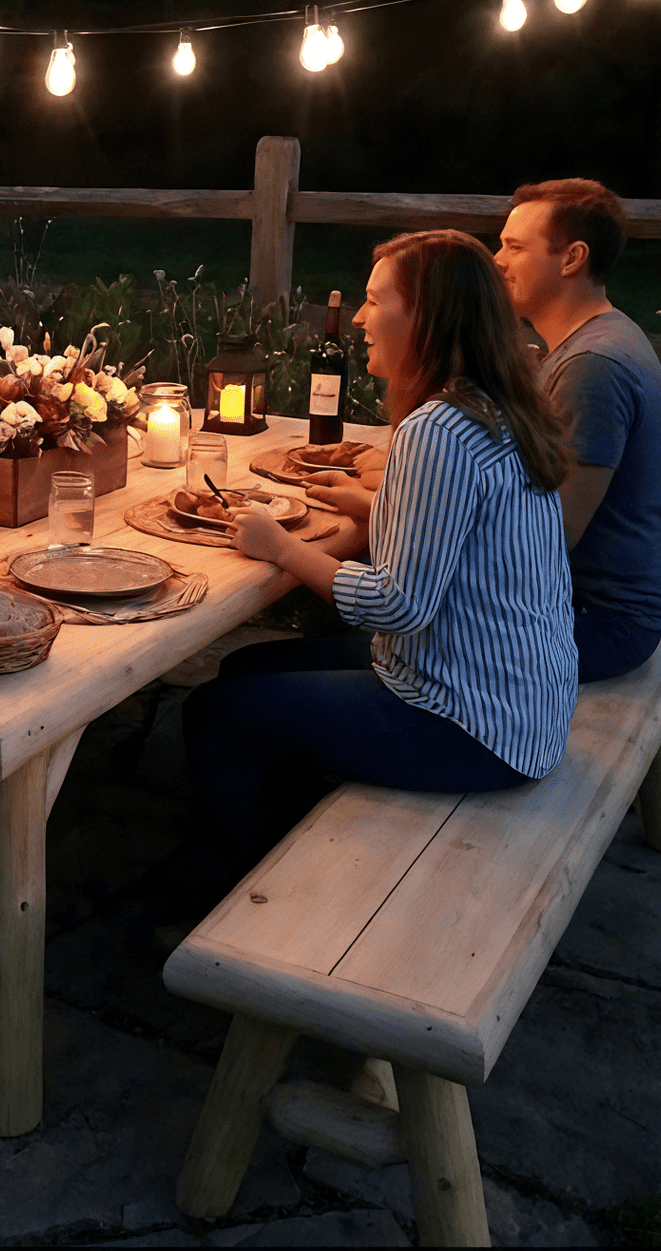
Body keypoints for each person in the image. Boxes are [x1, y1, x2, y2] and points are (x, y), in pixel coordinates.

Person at [184, 230, 577, 881]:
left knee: (214, 712)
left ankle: (222, 890)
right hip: (520, 698)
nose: (360, 319)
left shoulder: (436, 430)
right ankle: (279, 831)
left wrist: (277, 544)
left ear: (424, 316)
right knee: (246, 667)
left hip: (474, 724)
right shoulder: (491, 407)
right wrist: (372, 505)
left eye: (374, 301)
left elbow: (397, 603)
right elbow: (465, 531)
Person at [495, 178, 661, 682]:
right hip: (583, 607)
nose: (496, 261)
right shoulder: (595, 339)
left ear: (572, 258)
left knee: (391, 635)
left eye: (514, 247)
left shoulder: (593, 364)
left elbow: (549, 537)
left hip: (596, 621)